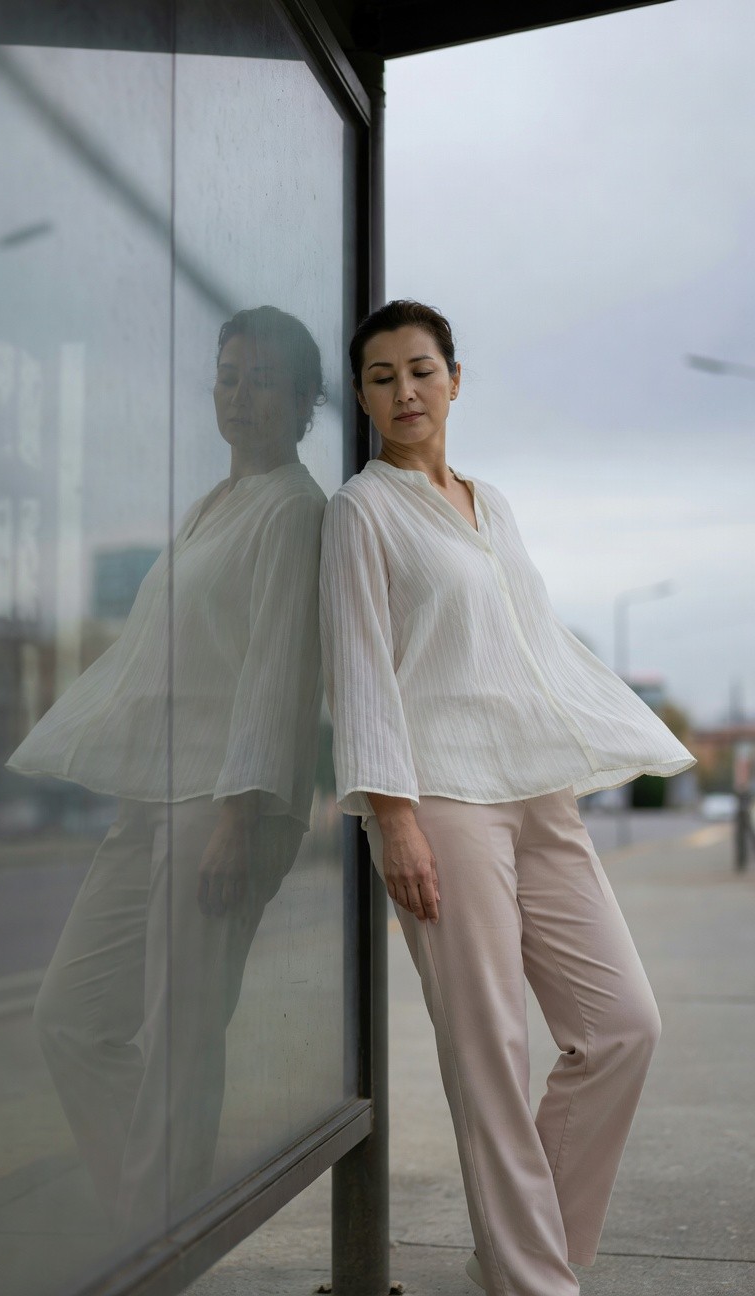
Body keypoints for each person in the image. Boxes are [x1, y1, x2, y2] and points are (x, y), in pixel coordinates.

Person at [319, 300, 695, 1296]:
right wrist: (391, 816)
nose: (405, 391)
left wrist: (608, 736)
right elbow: (358, 666)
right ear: (361, 396)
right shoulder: (361, 510)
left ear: (454, 380)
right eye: (381, 376)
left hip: (540, 793)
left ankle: (523, 1260)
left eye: (421, 370)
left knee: (621, 1026)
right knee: (491, 1052)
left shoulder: (496, 502)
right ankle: (538, 1285)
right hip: (439, 800)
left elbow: (534, 643)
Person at [8, 306, 327, 1236]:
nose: (238, 394)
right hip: (158, 797)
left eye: (262, 378)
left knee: (183, 1038)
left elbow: (278, 670)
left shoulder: (296, 510)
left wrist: (240, 816)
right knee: (70, 1015)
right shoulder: (208, 508)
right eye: (227, 375)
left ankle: (161, 1247)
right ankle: (151, 1217)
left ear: (303, 400)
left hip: (226, 804)